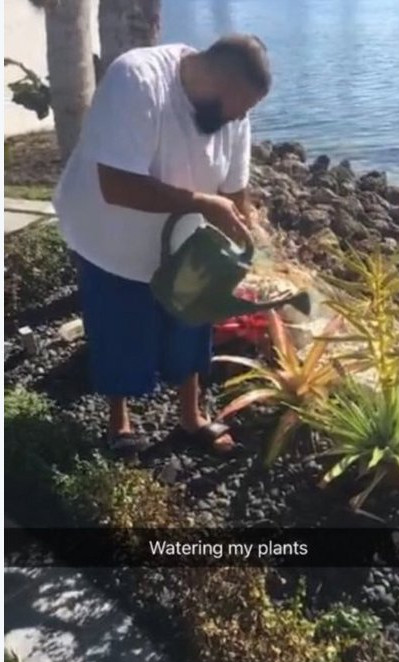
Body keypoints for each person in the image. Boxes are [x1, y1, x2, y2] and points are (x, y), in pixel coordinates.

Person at [54, 34, 272, 458]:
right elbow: (116, 185)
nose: (242, 117)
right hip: (111, 236)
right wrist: (201, 203)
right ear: (220, 82)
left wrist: (249, 236)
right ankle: (119, 422)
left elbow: (235, 187)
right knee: (119, 328)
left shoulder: (231, 112)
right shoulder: (137, 79)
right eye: (241, 106)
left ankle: (190, 416)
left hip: (185, 241)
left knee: (191, 324)